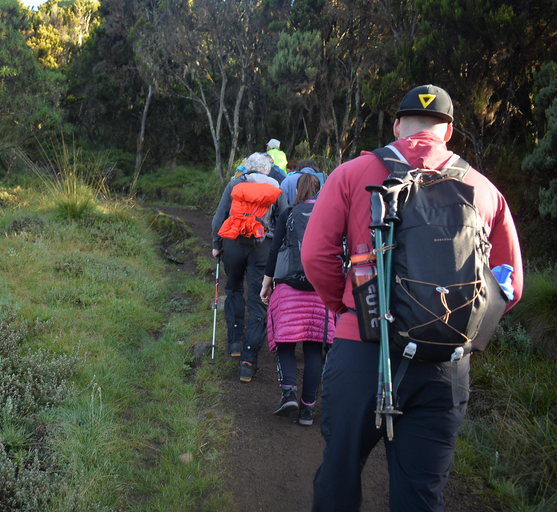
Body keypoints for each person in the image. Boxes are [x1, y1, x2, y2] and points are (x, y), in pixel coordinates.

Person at [301, 84, 524, 511]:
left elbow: (315, 255)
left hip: (362, 349)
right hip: (444, 364)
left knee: (340, 475)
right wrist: (461, 326)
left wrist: (347, 309)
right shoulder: (484, 190)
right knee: (421, 495)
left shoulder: (351, 174)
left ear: (398, 125)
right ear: (449, 131)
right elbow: (509, 286)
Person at [260, 173, 335, 425]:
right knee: (315, 348)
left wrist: (267, 282)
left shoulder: (288, 214)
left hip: (289, 288)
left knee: (285, 342)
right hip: (320, 290)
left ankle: (289, 393)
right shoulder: (329, 214)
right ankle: (307, 410)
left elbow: (275, 249)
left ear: (297, 190)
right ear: (319, 190)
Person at [212, 152, 288, 382]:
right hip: (262, 247)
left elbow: (219, 217)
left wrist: (217, 244)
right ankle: (248, 360)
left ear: (247, 167)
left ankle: (234, 340)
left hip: (233, 243)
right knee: (258, 301)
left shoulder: (235, 183)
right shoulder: (276, 187)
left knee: (234, 289)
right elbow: (284, 220)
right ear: (266, 170)